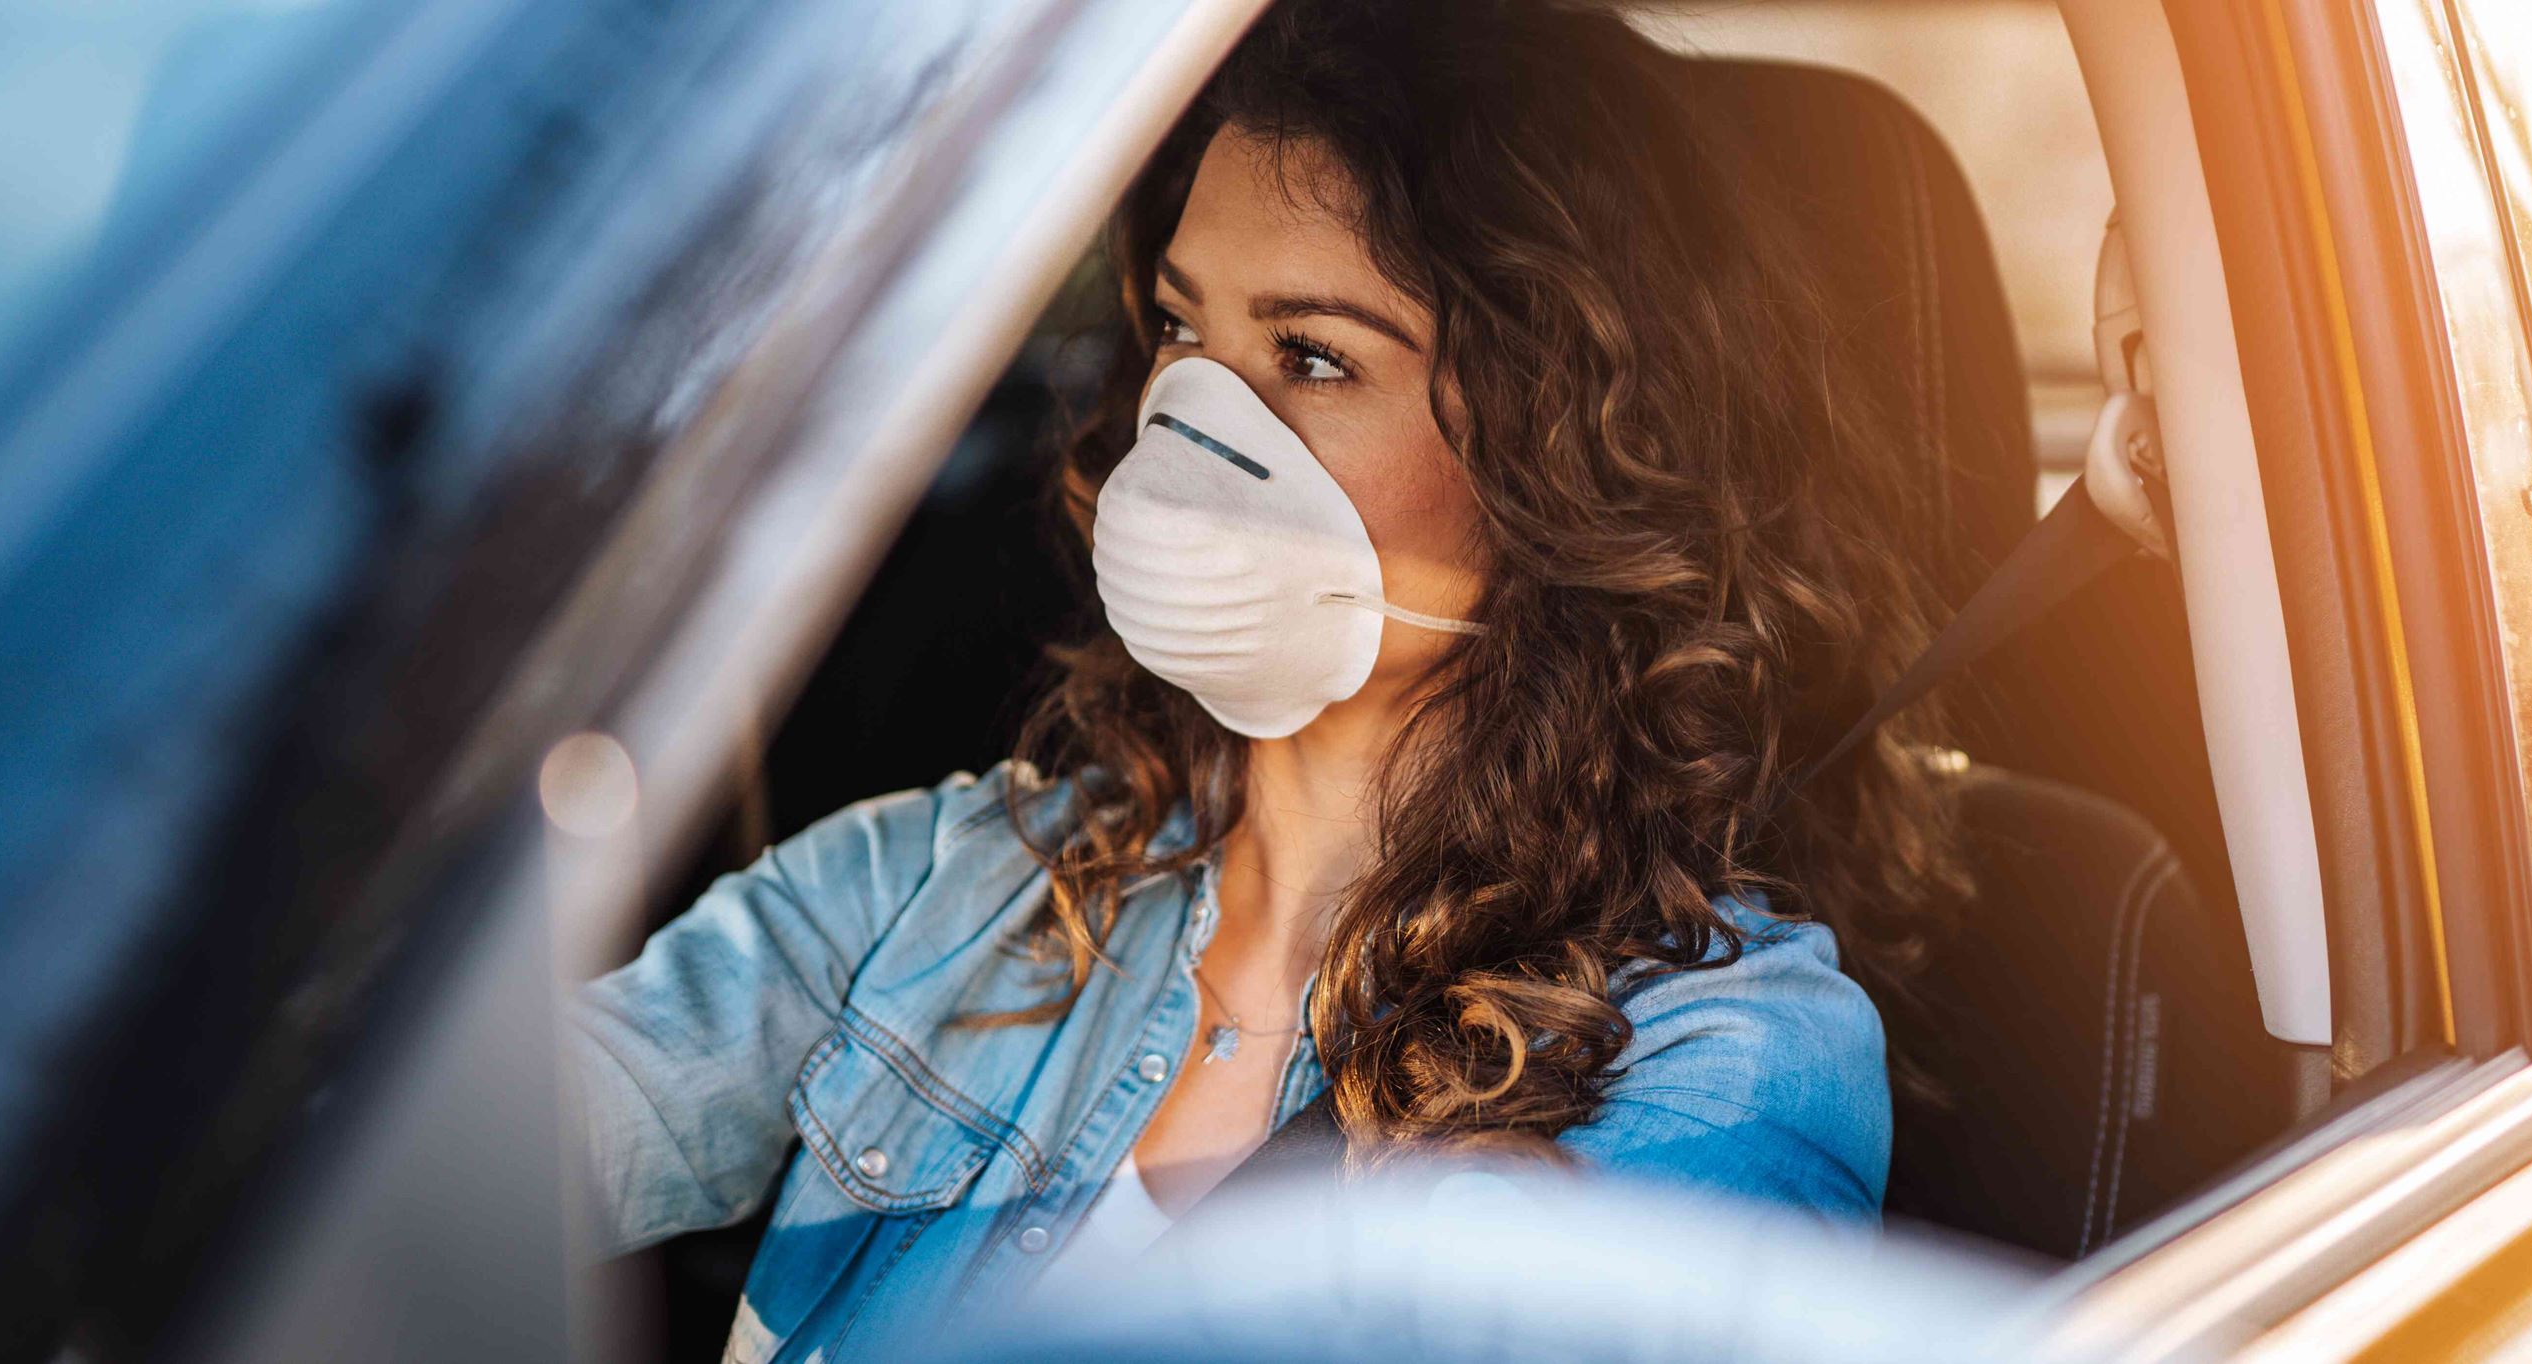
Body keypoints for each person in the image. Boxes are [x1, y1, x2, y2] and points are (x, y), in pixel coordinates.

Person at [567, 1, 1965, 1359]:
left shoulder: (1716, 1063)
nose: (1190, 430)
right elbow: (494, 1147)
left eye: (1311, 356)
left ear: (1567, 454)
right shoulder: (953, 885)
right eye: (1184, 333)